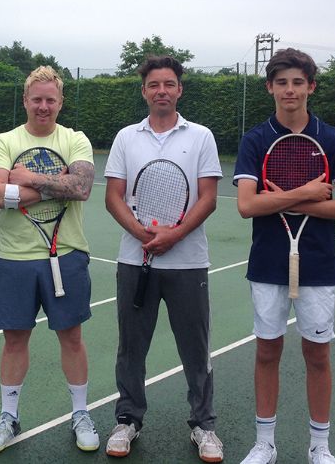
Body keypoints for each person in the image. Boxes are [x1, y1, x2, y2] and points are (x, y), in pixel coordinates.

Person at [234, 48, 335, 464]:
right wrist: (306, 193)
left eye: (298, 82)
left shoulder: (332, 139)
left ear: (311, 87)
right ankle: (264, 444)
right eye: (282, 82)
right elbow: (247, 205)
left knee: (317, 354)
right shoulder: (255, 139)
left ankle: (320, 447)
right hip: (268, 262)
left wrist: (287, 201)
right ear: (270, 87)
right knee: (267, 351)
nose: (290, 90)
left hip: (319, 264)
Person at [104, 55, 224, 463]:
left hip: (189, 264)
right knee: (130, 347)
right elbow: (113, 197)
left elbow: (208, 197)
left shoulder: (202, 136)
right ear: (144, 91)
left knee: (196, 347)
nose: (161, 91)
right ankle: (128, 420)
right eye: (154, 85)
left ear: (179, 90)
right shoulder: (126, 138)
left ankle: (204, 426)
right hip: (134, 262)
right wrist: (142, 235)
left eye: (169, 84)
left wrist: (173, 235)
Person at [0, 65, 99, 455]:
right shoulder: (3, 140)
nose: (43, 106)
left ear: (60, 102)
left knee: (72, 337)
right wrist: (53, 185)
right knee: (14, 340)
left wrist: (26, 177)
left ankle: (80, 413)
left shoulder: (75, 138)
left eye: (51, 100)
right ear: (26, 101)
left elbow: (80, 187)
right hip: (14, 258)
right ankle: (8, 417)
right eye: (37, 99)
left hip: (66, 255)